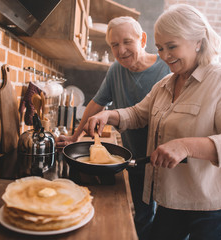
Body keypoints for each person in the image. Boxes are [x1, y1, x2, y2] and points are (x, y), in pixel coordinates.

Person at [84, 4, 221, 240]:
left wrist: (185, 146)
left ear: (198, 41)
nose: (165, 55)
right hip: (175, 195)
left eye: (172, 46)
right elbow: (138, 114)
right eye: (160, 48)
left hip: (216, 203)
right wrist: (109, 115)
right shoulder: (166, 83)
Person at [57, 16, 170, 239]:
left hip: (164, 161)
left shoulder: (166, 69)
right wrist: (74, 136)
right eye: (114, 45)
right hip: (134, 158)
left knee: (166, 224)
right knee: (141, 215)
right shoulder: (116, 70)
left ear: (143, 39)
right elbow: (97, 103)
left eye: (127, 41)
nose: (121, 50)